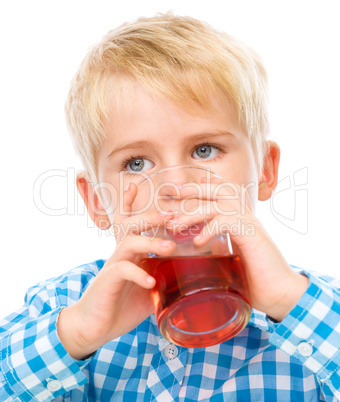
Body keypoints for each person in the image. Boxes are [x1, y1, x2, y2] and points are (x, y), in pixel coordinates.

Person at [1, 12, 339, 401]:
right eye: (137, 164)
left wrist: (287, 300)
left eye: (204, 150)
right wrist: (75, 335)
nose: (176, 187)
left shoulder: (310, 306)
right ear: (97, 200)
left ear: (264, 170)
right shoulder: (64, 304)